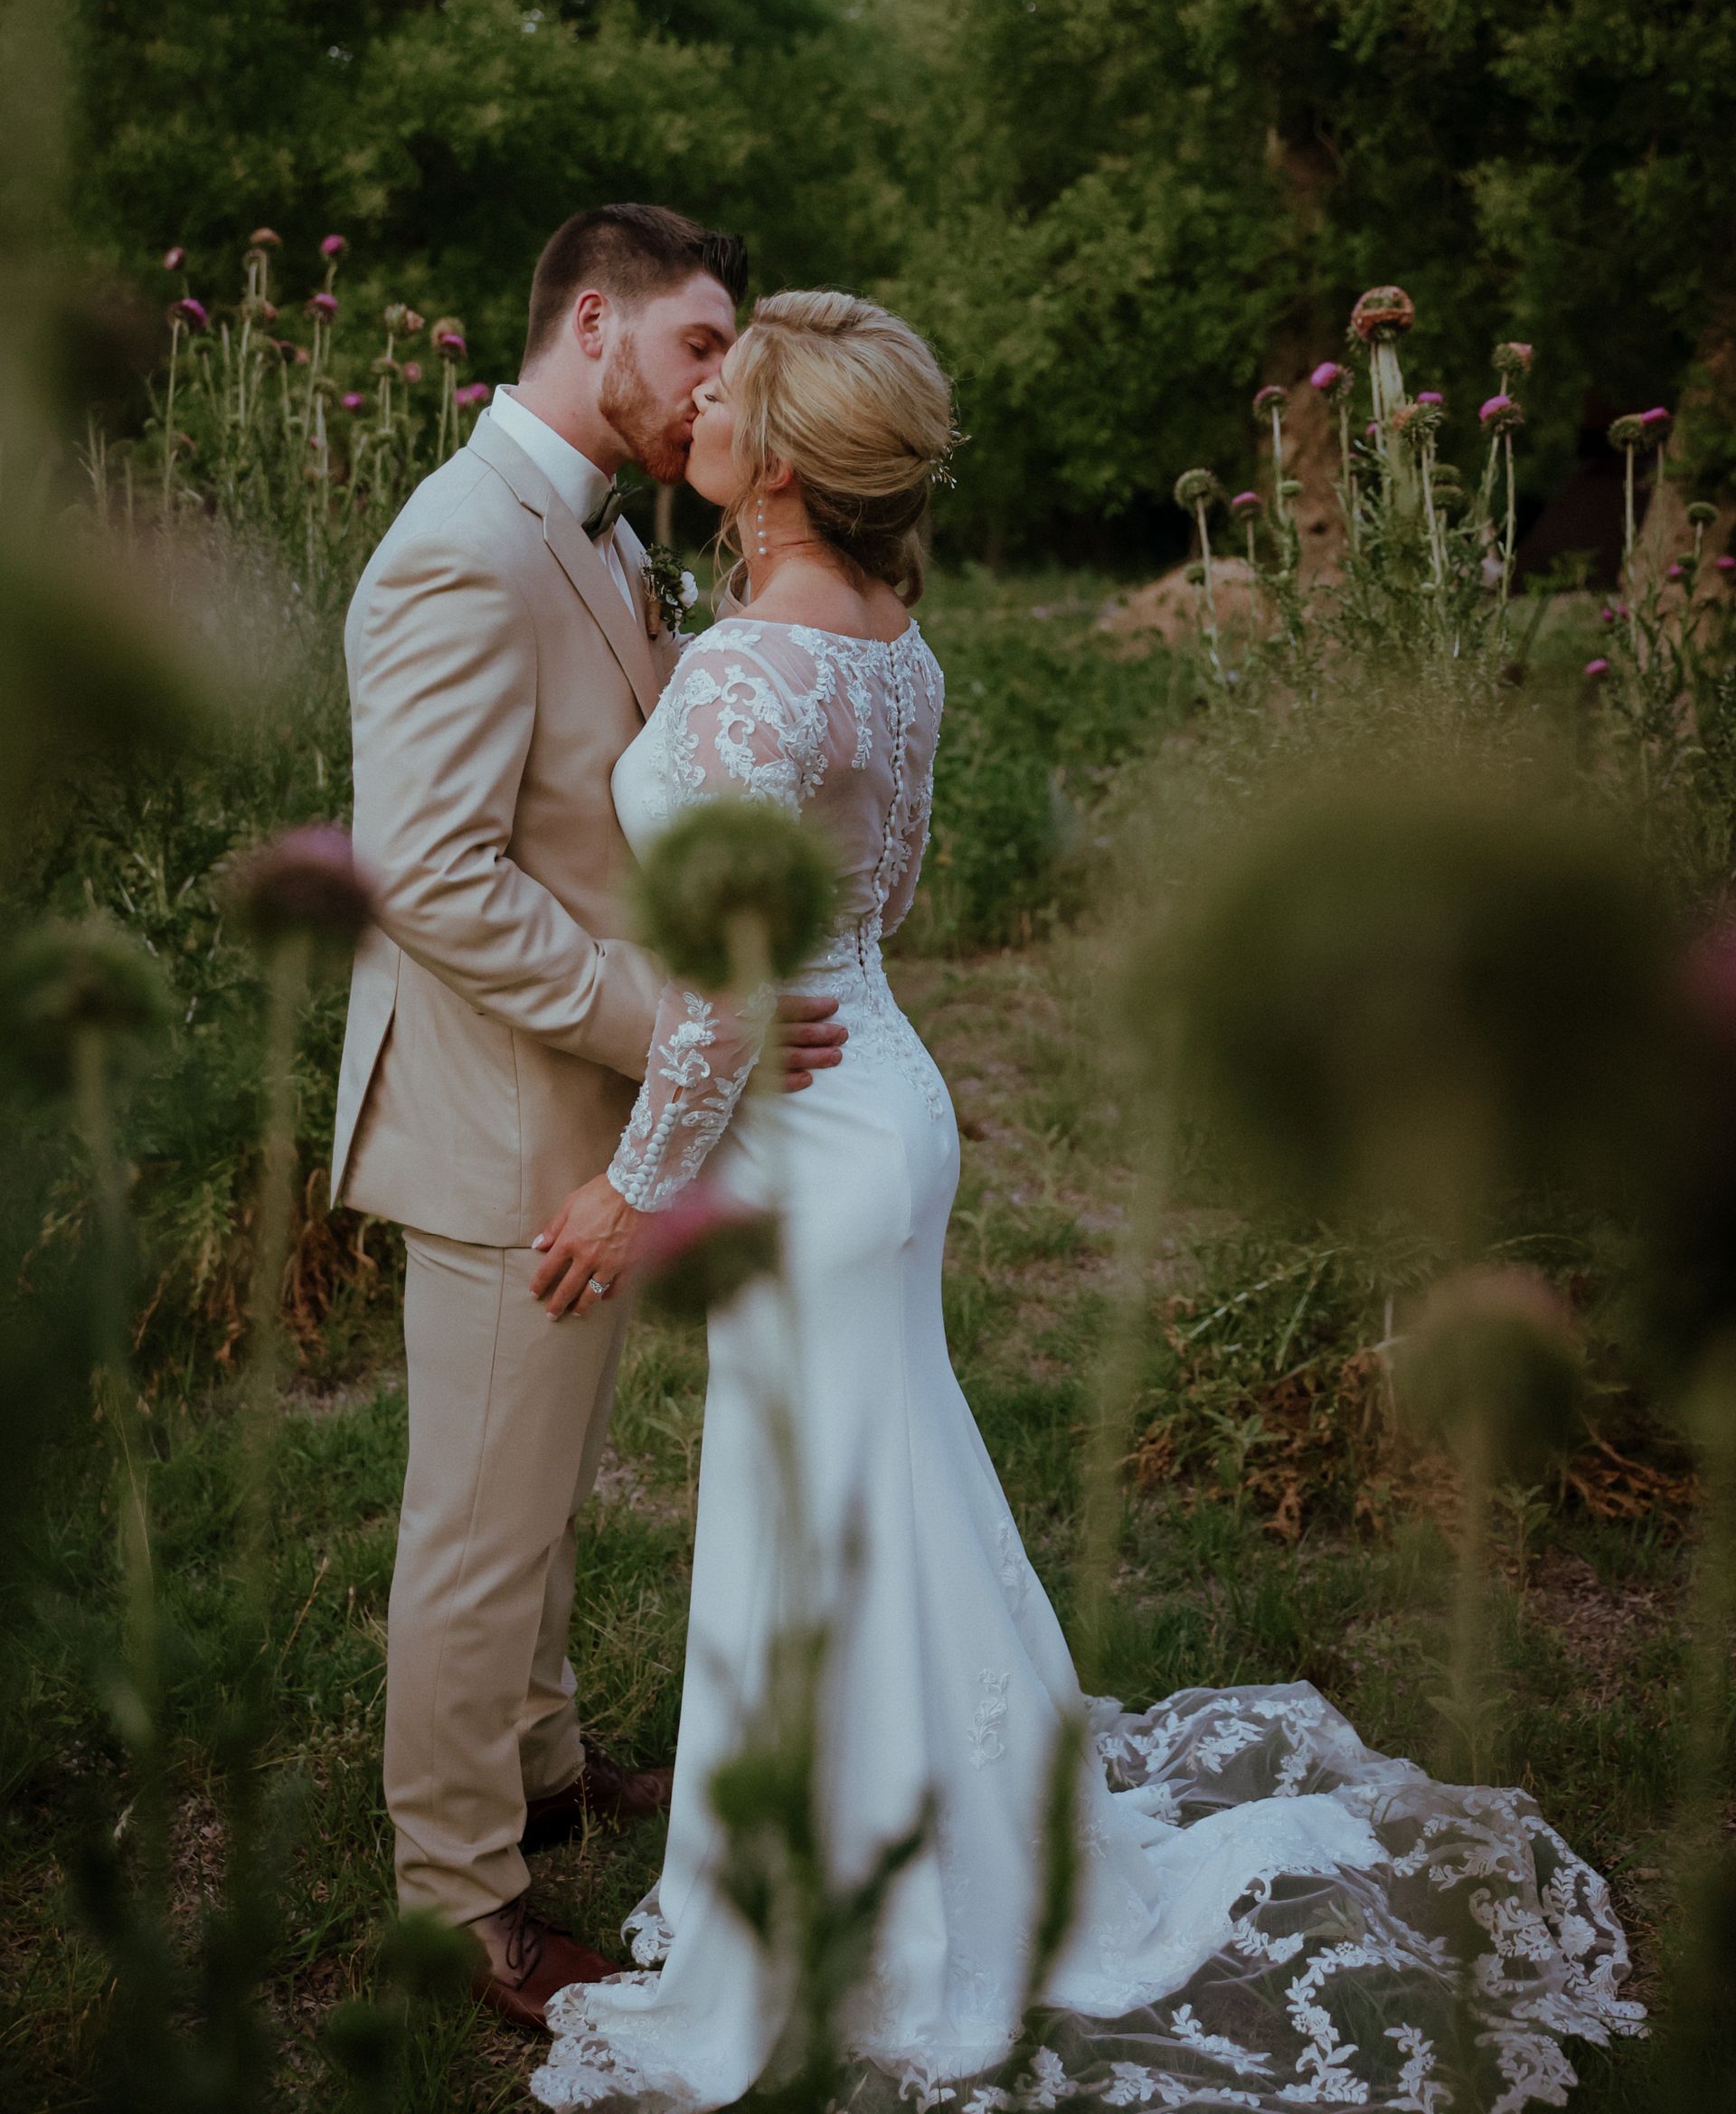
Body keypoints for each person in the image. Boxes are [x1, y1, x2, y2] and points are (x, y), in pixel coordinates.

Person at [526, 290, 1643, 2114]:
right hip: (881, 1086)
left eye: (724, 390)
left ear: (786, 465)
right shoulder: (888, 633)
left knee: (829, 1505)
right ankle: (923, 1851)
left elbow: (734, 987)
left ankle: (872, 1909)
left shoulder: (753, 664)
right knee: (878, 1492)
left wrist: (628, 1191)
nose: (697, 400)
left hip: (810, 1132)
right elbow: (845, 909)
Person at [332, 205, 850, 2031]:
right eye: (704, 343)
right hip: (497, 1112)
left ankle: (544, 1770)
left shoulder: (596, 524)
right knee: (478, 1521)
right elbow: (432, 880)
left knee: (536, 1493)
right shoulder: (463, 549)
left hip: (582, 1099)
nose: (723, 381)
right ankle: (463, 1905)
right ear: (598, 321)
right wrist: (674, 1032)